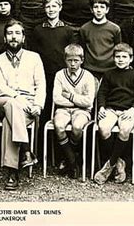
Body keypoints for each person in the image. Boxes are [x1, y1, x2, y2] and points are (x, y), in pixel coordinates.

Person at [0, 20, 46, 190]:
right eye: (9, 33)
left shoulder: (34, 57)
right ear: (4, 38)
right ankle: (26, 149)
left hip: (29, 105)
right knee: (12, 105)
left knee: (10, 121)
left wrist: (38, 105)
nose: (13, 37)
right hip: (5, 99)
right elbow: (0, 88)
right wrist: (18, 98)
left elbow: (41, 84)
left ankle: (12, 173)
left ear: (23, 37)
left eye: (17, 33)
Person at [94, 43, 134, 185]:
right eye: (117, 57)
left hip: (128, 111)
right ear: (113, 58)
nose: (120, 60)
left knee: (124, 130)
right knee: (103, 128)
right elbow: (102, 93)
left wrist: (133, 110)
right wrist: (102, 108)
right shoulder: (109, 74)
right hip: (110, 109)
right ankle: (119, 162)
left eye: (124, 57)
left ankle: (108, 166)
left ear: (131, 59)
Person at [31, 0, 74, 125]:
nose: (51, 10)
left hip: (62, 76)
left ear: (60, 8)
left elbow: (71, 55)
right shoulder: (38, 30)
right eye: (48, 6)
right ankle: (42, 142)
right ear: (44, 8)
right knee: (45, 107)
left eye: (54, 6)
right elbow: (33, 55)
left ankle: (58, 142)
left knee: (60, 109)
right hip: (43, 74)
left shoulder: (67, 30)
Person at [53, 44, 96, 178]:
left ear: (82, 60)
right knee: (59, 125)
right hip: (63, 110)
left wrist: (71, 96)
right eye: (69, 60)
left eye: (76, 60)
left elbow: (88, 102)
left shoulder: (88, 76)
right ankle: (72, 159)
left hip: (83, 111)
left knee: (77, 127)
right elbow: (56, 99)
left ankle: (70, 156)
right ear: (65, 60)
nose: (72, 64)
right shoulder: (60, 75)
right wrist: (78, 101)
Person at [79, 0, 121, 80]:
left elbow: (118, 50)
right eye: (96, 7)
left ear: (107, 10)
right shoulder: (84, 28)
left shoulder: (115, 29)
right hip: (90, 69)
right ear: (91, 9)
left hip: (110, 69)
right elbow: (82, 50)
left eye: (102, 7)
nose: (99, 10)